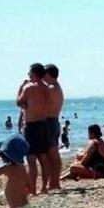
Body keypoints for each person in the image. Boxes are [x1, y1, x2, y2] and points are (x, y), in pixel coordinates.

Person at [17, 63, 51, 195]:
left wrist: (21, 87)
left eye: (30, 72)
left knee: (31, 158)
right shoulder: (47, 88)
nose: (28, 75)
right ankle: (43, 187)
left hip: (31, 125)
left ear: (34, 73)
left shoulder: (29, 87)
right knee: (43, 156)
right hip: (43, 123)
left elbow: (19, 102)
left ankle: (33, 189)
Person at [43, 63, 64, 191]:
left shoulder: (52, 88)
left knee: (52, 155)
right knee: (53, 154)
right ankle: (54, 182)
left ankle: (54, 182)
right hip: (53, 122)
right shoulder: (55, 87)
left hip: (50, 122)